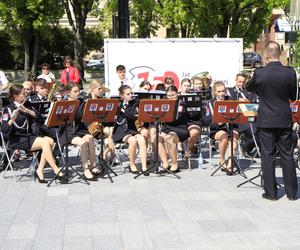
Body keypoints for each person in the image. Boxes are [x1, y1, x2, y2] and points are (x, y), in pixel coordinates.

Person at [246, 41, 298, 201]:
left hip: (266, 119)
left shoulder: (260, 72)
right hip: (284, 119)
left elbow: (249, 87)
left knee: (267, 155)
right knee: (287, 155)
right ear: (280, 54)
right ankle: (291, 193)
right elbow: (294, 97)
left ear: (266, 55)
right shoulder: (290, 72)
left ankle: (271, 192)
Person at [1, 85, 65, 183]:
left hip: (29, 136)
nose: (26, 94)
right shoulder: (8, 109)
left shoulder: (27, 104)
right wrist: (12, 119)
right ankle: (56, 170)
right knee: (45, 142)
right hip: (17, 139)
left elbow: (39, 117)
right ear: (15, 96)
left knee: (50, 140)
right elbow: (4, 129)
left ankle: (40, 170)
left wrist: (26, 110)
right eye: (23, 93)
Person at [60, 84, 101, 181]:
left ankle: (93, 165)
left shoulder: (81, 102)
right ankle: (85, 169)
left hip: (80, 130)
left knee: (90, 138)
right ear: (68, 93)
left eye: (78, 91)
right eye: (75, 91)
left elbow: (81, 116)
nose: (78, 93)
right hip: (68, 132)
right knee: (82, 143)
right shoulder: (63, 103)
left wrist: (87, 106)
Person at [202, 81, 239, 175]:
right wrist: (218, 123)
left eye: (223, 91)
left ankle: (229, 165)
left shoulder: (230, 100)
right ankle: (222, 160)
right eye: (219, 91)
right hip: (217, 130)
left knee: (234, 144)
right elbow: (206, 120)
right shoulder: (211, 104)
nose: (222, 93)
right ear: (214, 92)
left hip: (231, 127)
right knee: (224, 136)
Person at [112, 85, 148, 175]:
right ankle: (132, 165)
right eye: (128, 94)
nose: (130, 95)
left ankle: (144, 167)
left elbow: (136, 115)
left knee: (142, 139)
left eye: (131, 93)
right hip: (121, 131)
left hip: (132, 129)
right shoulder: (118, 104)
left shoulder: (134, 103)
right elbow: (128, 115)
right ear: (122, 96)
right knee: (132, 141)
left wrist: (135, 105)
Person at [155, 85, 189, 173]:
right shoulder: (165, 104)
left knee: (169, 138)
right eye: (169, 96)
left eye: (173, 95)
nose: (170, 97)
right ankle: (165, 163)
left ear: (177, 94)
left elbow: (175, 118)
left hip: (179, 129)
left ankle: (175, 164)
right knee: (156, 139)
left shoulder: (182, 104)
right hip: (167, 128)